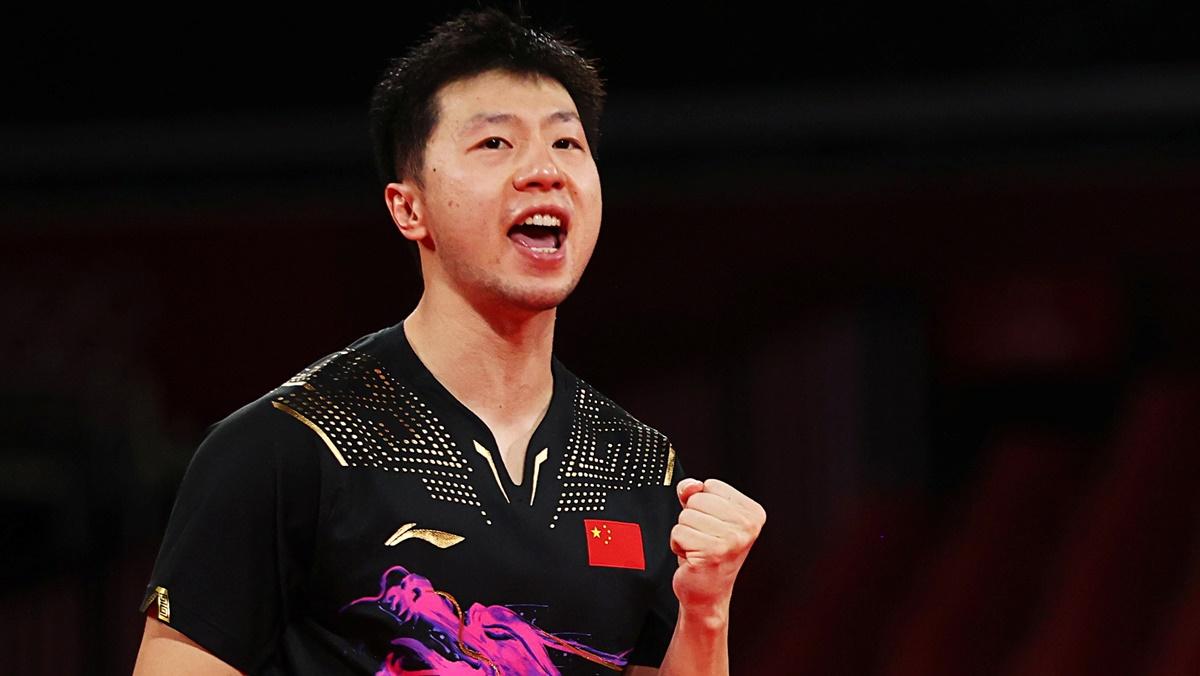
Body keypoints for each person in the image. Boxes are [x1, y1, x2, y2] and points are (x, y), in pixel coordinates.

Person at [133, 8, 764, 675]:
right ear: (409, 208)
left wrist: (706, 610)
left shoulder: (638, 467)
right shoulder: (288, 446)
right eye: (495, 144)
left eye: (566, 144)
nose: (544, 171)